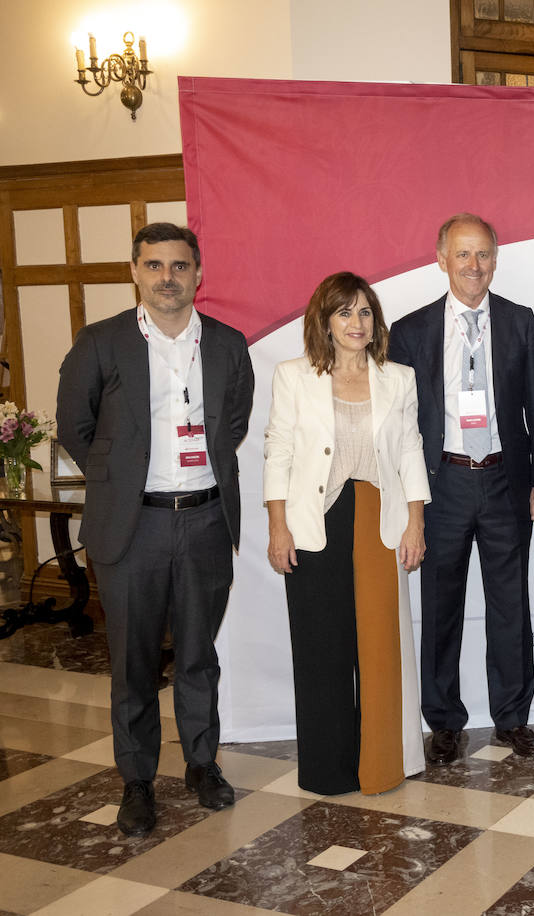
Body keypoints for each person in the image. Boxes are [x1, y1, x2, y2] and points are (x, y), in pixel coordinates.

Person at [56, 222, 253, 836]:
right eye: (154, 265)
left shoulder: (226, 344)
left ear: (198, 273)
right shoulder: (100, 342)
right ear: (135, 271)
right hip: (131, 527)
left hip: (204, 521)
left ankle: (202, 766)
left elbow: (235, 420)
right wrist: (117, 483)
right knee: (133, 662)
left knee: (198, 655)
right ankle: (137, 781)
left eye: (179, 265)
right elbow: (72, 426)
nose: (168, 277)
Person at [389, 214, 534, 763]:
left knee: (511, 605)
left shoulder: (521, 322)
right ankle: (445, 722)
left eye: (483, 255)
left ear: (495, 260)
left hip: (507, 480)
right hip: (444, 484)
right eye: (463, 255)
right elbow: (401, 425)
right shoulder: (409, 333)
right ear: (441, 259)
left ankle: (512, 718)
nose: (473, 266)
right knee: (441, 608)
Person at [263, 272, 430, 795]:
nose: (356, 323)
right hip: (314, 522)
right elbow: (279, 452)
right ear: (325, 320)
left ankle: (381, 765)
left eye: (364, 312)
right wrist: (277, 525)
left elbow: (409, 451)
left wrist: (416, 521)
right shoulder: (293, 376)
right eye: (344, 312)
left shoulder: (398, 377)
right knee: (321, 649)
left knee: (381, 650)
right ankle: (328, 771)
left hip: (379, 519)